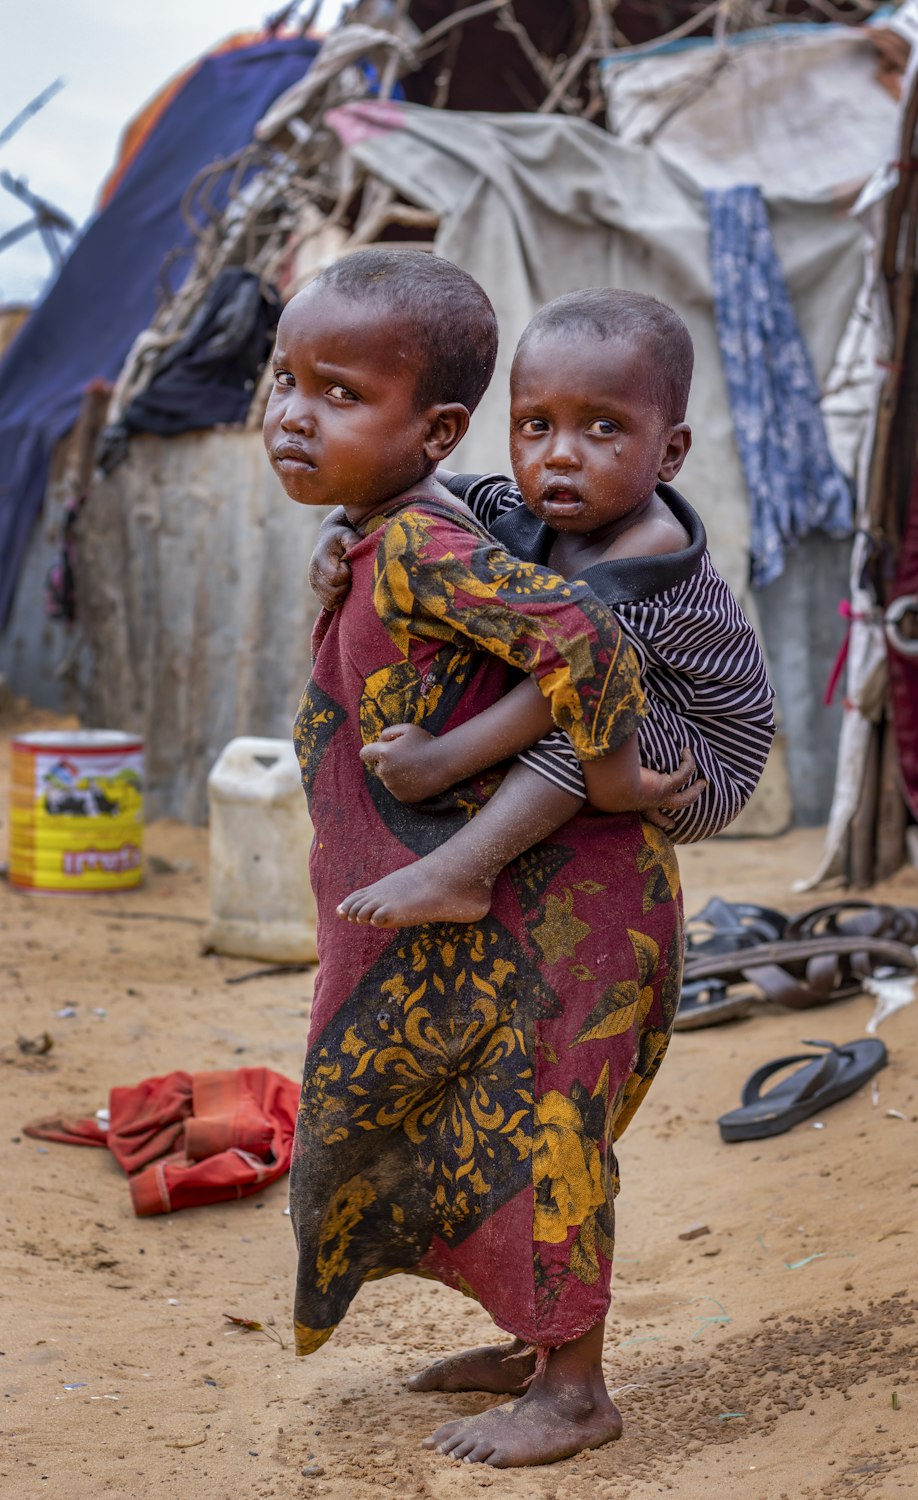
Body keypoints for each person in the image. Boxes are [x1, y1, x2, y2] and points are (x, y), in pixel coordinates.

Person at [265, 249, 688, 1468]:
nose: (295, 413)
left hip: (563, 913)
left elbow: (593, 642)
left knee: (546, 1123)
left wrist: (602, 776)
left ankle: (573, 1391)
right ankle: (531, 1339)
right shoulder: (390, 537)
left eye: (338, 392)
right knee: (463, 1116)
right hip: (505, 915)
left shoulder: (422, 550)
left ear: (437, 427)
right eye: (283, 381)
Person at [312, 289, 775, 929]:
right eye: (535, 425)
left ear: (670, 452)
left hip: (697, 755)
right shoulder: (524, 504)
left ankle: (461, 871)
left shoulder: (650, 559)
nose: (558, 454)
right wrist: (335, 530)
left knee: (579, 715)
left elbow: (581, 671)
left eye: (603, 427)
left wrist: (440, 762)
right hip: (615, 703)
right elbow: (403, 487)